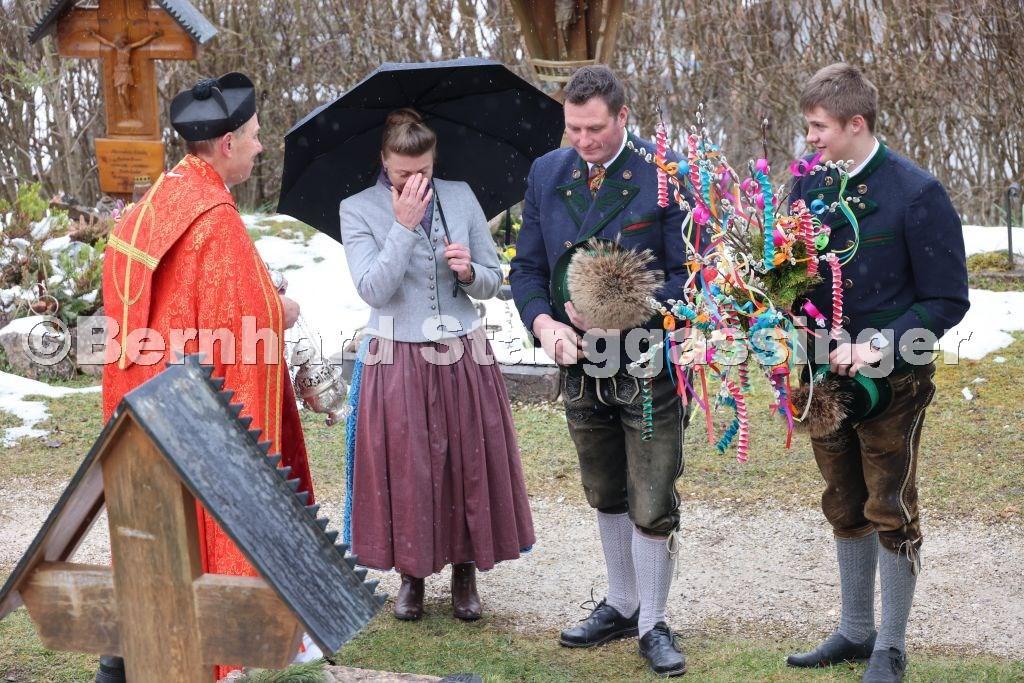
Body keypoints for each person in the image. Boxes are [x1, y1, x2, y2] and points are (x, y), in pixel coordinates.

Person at [99, 72, 314, 681]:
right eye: (254, 135)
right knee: (205, 531)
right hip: (192, 410)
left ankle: (125, 657)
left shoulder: (154, 203)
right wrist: (282, 308)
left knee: (156, 536)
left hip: (146, 400)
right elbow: (243, 320)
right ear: (226, 144)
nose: (261, 146)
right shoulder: (215, 218)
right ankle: (217, 652)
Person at [785, 63, 969, 682]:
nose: (810, 137)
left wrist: (878, 347)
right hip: (822, 377)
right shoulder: (806, 185)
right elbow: (791, 272)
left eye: (819, 127)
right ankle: (855, 630)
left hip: (894, 381)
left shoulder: (916, 193)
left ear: (856, 124)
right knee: (843, 502)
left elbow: (947, 300)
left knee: (889, 506)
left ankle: (890, 646)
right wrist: (783, 308)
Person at [509, 65, 693, 677]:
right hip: (577, 362)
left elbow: (689, 275)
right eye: (574, 128)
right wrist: (543, 324)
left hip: (645, 360)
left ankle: (653, 622)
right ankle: (621, 602)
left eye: (595, 129)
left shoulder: (663, 175)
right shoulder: (547, 172)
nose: (583, 141)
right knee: (604, 487)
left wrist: (631, 317)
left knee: (652, 494)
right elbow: (527, 268)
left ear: (622, 117)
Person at [340, 108, 535, 622]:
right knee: (410, 467)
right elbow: (372, 289)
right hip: (395, 355)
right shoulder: (357, 209)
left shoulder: (460, 196)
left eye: (423, 170)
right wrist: (403, 228)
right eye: (403, 173)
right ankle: (412, 575)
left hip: (463, 350)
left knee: (468, 460)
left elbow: (493, 280)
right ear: (384, 161)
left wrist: (470, 273)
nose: (414, 181)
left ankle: (465, 572)